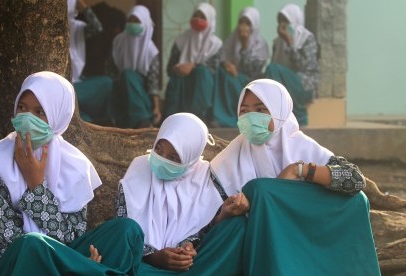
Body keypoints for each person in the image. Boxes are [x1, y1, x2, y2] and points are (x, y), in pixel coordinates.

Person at [0, 71, 144, 275]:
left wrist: (36, 185)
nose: (27, 118)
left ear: (57, 116)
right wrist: (36, 186)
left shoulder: (76, 166)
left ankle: (82, 269)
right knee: (31, 244)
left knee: (125, 230)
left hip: (63, 255)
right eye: (22, 108)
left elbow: (71, 235)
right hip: (8, 260)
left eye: (39, 112)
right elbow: (9, 236)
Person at [210, 79, 381, 275]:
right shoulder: (231, 156)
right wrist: (228, 211)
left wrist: (298, 170)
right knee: (259, 190)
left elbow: (355, 179)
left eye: (261, 109)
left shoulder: (302, 146)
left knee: (358, 200)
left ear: (280, 110)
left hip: (302, 230)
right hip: (261, 240)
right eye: (244, 111)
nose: (251, 117)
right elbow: (206, 217)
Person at [117, 113, 248, 275]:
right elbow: (123, 229)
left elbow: (205, 229)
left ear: (191, 158)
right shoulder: (139, 169)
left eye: (173, 157)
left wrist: (187, 249)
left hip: (191, 266)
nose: (162, 159)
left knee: (236, 226)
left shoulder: (206, 180)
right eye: (158, 149)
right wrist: (154, 257)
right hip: (142, 265)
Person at [163, 3, 222, 124]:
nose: (198, 19)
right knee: (176, 77)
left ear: (210, 20)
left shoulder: (216, 45)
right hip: (183, 81)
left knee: (202, 72)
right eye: (196, 15)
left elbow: (214, 68)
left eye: (202, 17)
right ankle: (172, 119)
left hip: (204, 85)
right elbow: (169, 69)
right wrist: (178, 68)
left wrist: (193, 66)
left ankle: (200, 116)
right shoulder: (181, 40)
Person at [105, 5, 161, 128]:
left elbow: (153, 84)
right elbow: (110, 71)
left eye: (137, 21)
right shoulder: (118, 42)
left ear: (145, 24)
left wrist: (157, 107)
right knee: (117, 80)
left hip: (142, 95)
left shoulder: (151, 52)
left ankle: (142, 121)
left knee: (128, 75)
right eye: (130, 20)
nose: (132, 24)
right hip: (121, 89)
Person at [212, 7, 268, 128]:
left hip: (251, 81)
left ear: (255, 25)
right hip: (233, 77)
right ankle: (221, 117)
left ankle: (235, 117)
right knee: (222, 74)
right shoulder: (232, 39)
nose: (243, 26)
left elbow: (254, 70)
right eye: (241, 22)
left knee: (232, 81)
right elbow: (221, 57)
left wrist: (245, 44)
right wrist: (227, 64)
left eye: (248, 23)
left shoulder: (261, 44)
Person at [265, 3, 318, 126]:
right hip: (285, 81)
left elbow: (304, 67)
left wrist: (290, 44)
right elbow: (274, 70)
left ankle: (298, 116)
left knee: (272, 69)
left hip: (304, 83)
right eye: (280, 21)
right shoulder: (277, 42)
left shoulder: (306, 38)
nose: (282, 25)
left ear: (295, 21)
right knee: (270, 72)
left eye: (286, 21)